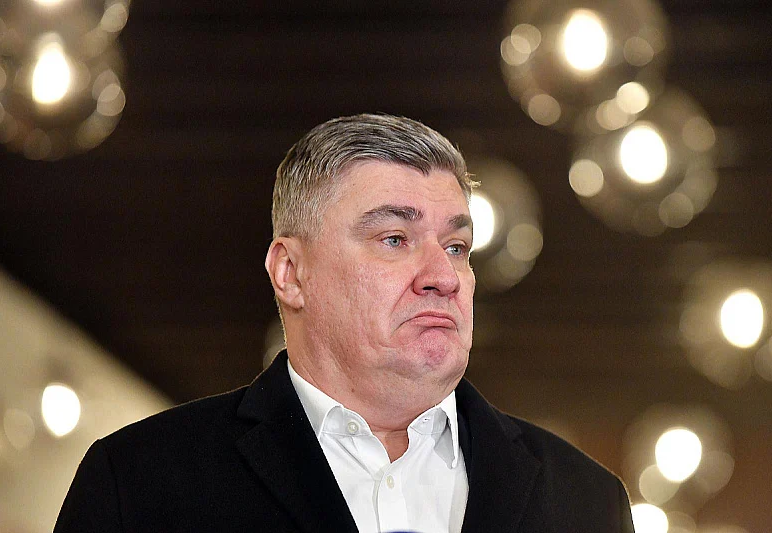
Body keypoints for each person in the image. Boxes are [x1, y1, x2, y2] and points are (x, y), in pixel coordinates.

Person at [55, 114, 635, 532]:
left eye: (457, 246)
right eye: (395, 238)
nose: (444, 276)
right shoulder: (142, 483)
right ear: (291, 273)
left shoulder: (586, 502)